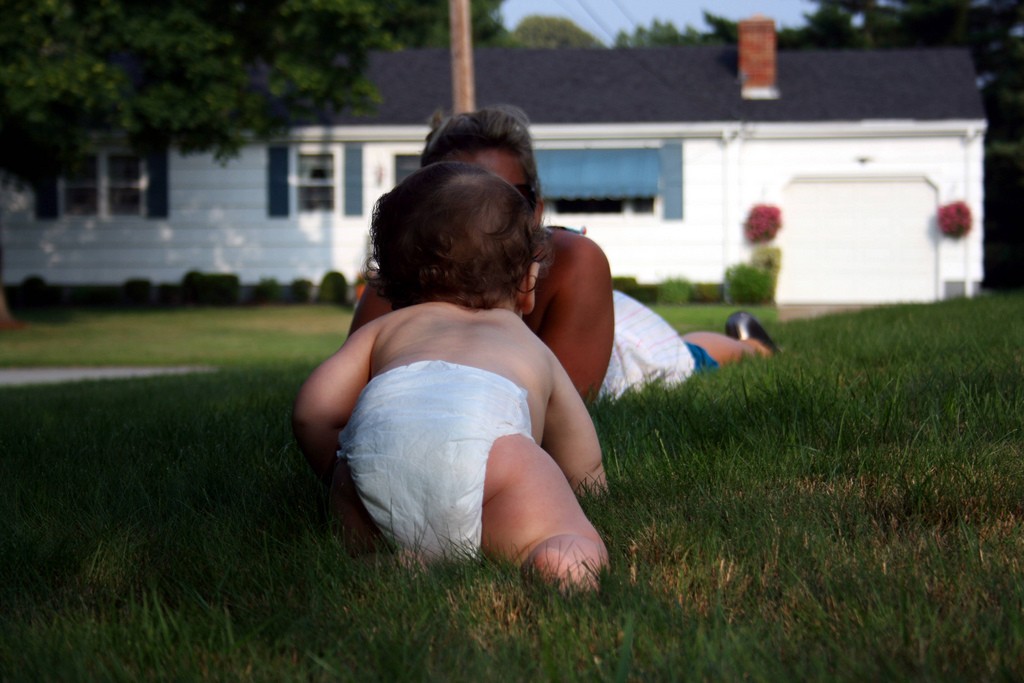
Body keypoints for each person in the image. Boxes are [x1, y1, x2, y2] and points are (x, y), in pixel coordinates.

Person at [293, 161, 608, 590]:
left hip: (380, 452)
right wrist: (588, 494)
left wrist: (341, 472)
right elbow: (581, 457)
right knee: (563, 533)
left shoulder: (385, 330)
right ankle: (562, 560)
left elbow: (312, 413)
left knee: (362, 518)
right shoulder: (527, 344)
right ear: (528, 281)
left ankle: (400, 561)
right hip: (496, 459)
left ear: (388, 281)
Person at [350, 105, 778, 401]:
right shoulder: (401, 275)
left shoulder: (573, 261)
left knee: (686, 357)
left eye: (503, 198)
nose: (475, 219)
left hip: (621, 355)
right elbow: (349, 391)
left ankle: (752, 347)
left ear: (536, 210)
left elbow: (560, 414)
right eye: (453, 202)